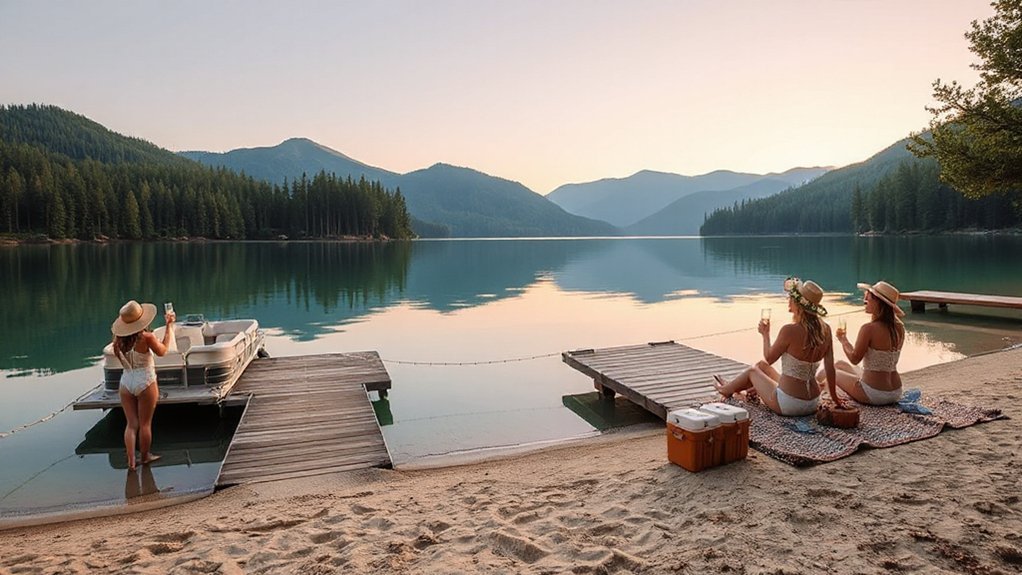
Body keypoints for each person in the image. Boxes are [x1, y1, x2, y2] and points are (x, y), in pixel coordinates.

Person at [713, 278, 843, 416]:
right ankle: (735, 386)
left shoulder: (789, 330)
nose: (788, 300)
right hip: (813, 402)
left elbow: (769, 358)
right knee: (761, 366)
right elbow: (830, 368)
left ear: (798, 304)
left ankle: (726, 390)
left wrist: (765, 334)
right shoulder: (826, 330)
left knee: (752, 371)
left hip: (789, 403)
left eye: (791, 297)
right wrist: (835, 398)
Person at [111, 300, 175, 470]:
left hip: (126, 382)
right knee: (145, 424)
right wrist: (169, 326)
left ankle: (131, 462)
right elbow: (162, 351)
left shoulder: (117, 342)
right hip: (145, 380)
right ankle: (145, 457)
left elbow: (124, 362)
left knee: (131, 424)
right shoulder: (147, 337)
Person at [825, 281, 905, 405]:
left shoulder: (869, 328)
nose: (864, 299)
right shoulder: (900, 327)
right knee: (839, 364)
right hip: (896, 391)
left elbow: (854, 359)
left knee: (829, 373)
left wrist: (843, 340)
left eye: (868, 296)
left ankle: (811, 395)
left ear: (878, 302)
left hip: (874, 393)